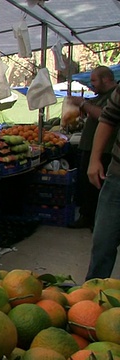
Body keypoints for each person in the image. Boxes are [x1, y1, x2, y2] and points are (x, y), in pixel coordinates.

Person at [67, 66, 118, 230]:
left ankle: (98, 222)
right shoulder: (100, 96)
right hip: (89, 148)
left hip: (105, 151)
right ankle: (87, 216)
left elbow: (104, 115)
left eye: (94, 80)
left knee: (99, 187)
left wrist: (82, 103)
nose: (91, 84)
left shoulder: (115, 95)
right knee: (87, 187)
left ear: (106, 79)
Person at [84, 82, 120, 280]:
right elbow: (108, 119)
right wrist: (94, 160)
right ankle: (91, 296)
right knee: (103, 242)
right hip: (117, 177)